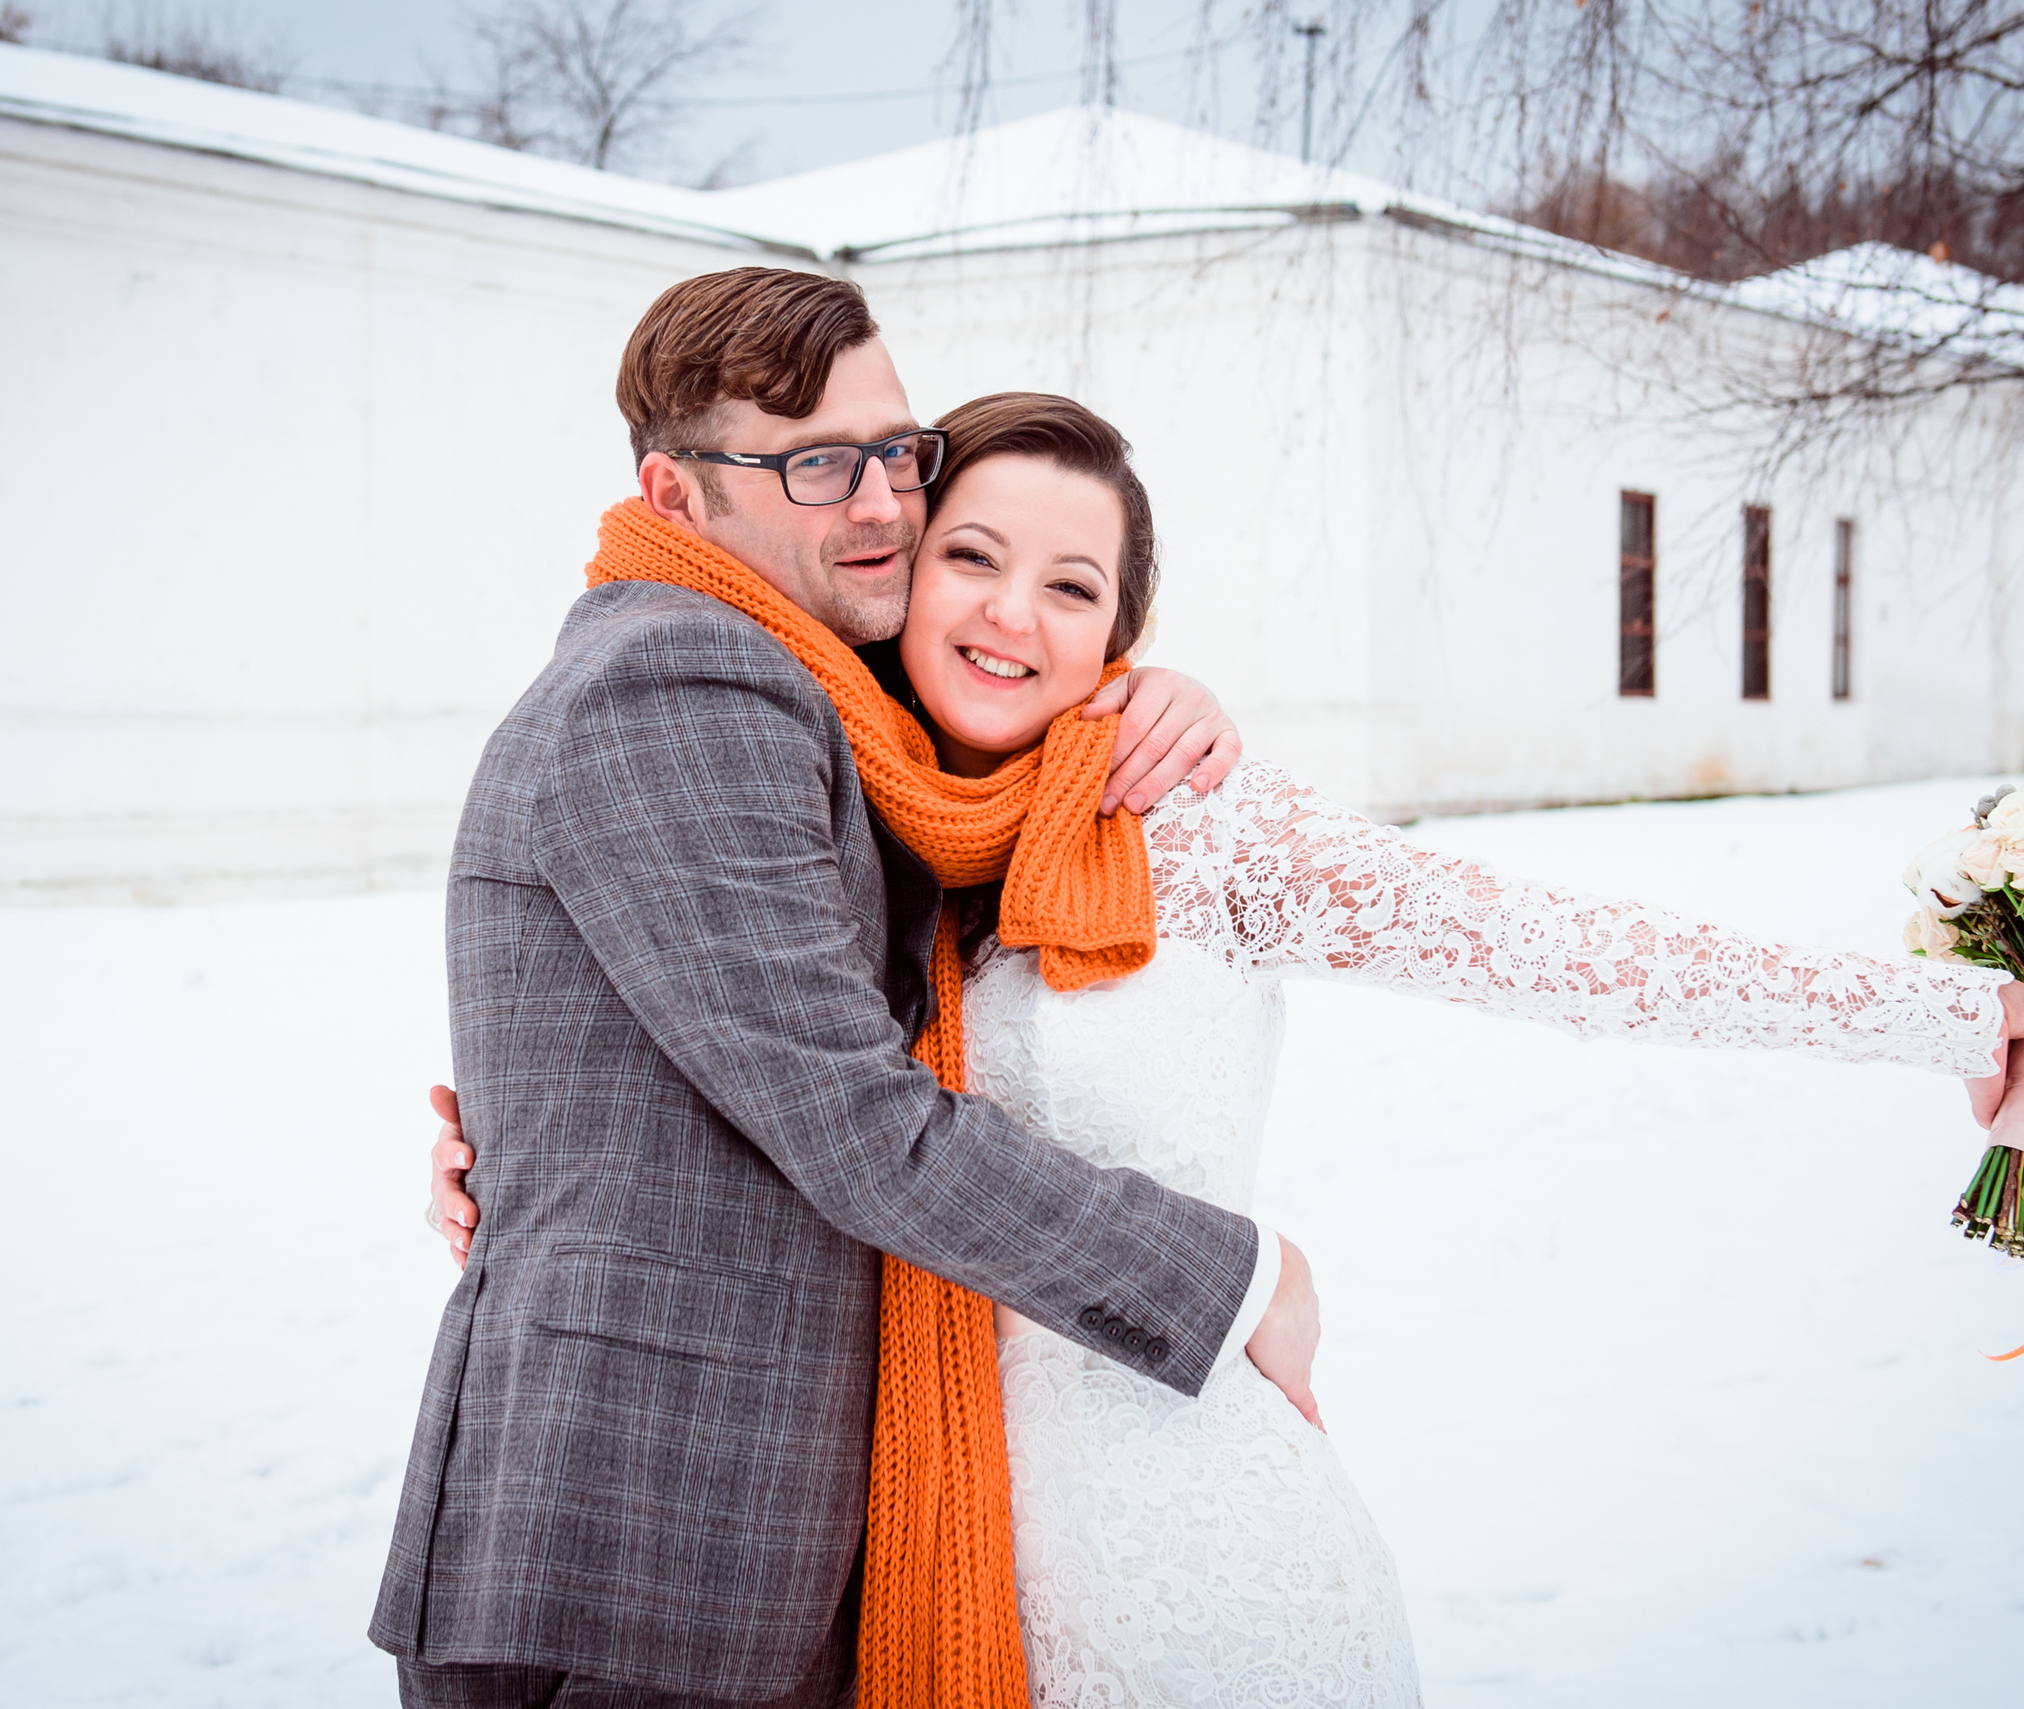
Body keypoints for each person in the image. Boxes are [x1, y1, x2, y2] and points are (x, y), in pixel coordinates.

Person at [427, 386, 2024, 1703]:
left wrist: (1960, 1013)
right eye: (972, 556)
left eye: (1070, 585)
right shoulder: (881, 846)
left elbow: (1567, 950)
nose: (1011, 612)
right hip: (946, 1571)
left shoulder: (1200, 824)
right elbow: (765, 1084)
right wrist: (504, 1158)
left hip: (1196, 1549)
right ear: (900, 577)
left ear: (1120, 638)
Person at [370, 268, 1326, 1709]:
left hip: (732, 1539)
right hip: (646, 1542)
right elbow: (857, 1119)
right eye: (815, 462)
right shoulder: (683, 678)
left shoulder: (828, 693)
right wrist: (1231, 1275)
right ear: (677, 492)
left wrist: (1132, 694)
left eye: (897, 448)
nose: (880, 500)